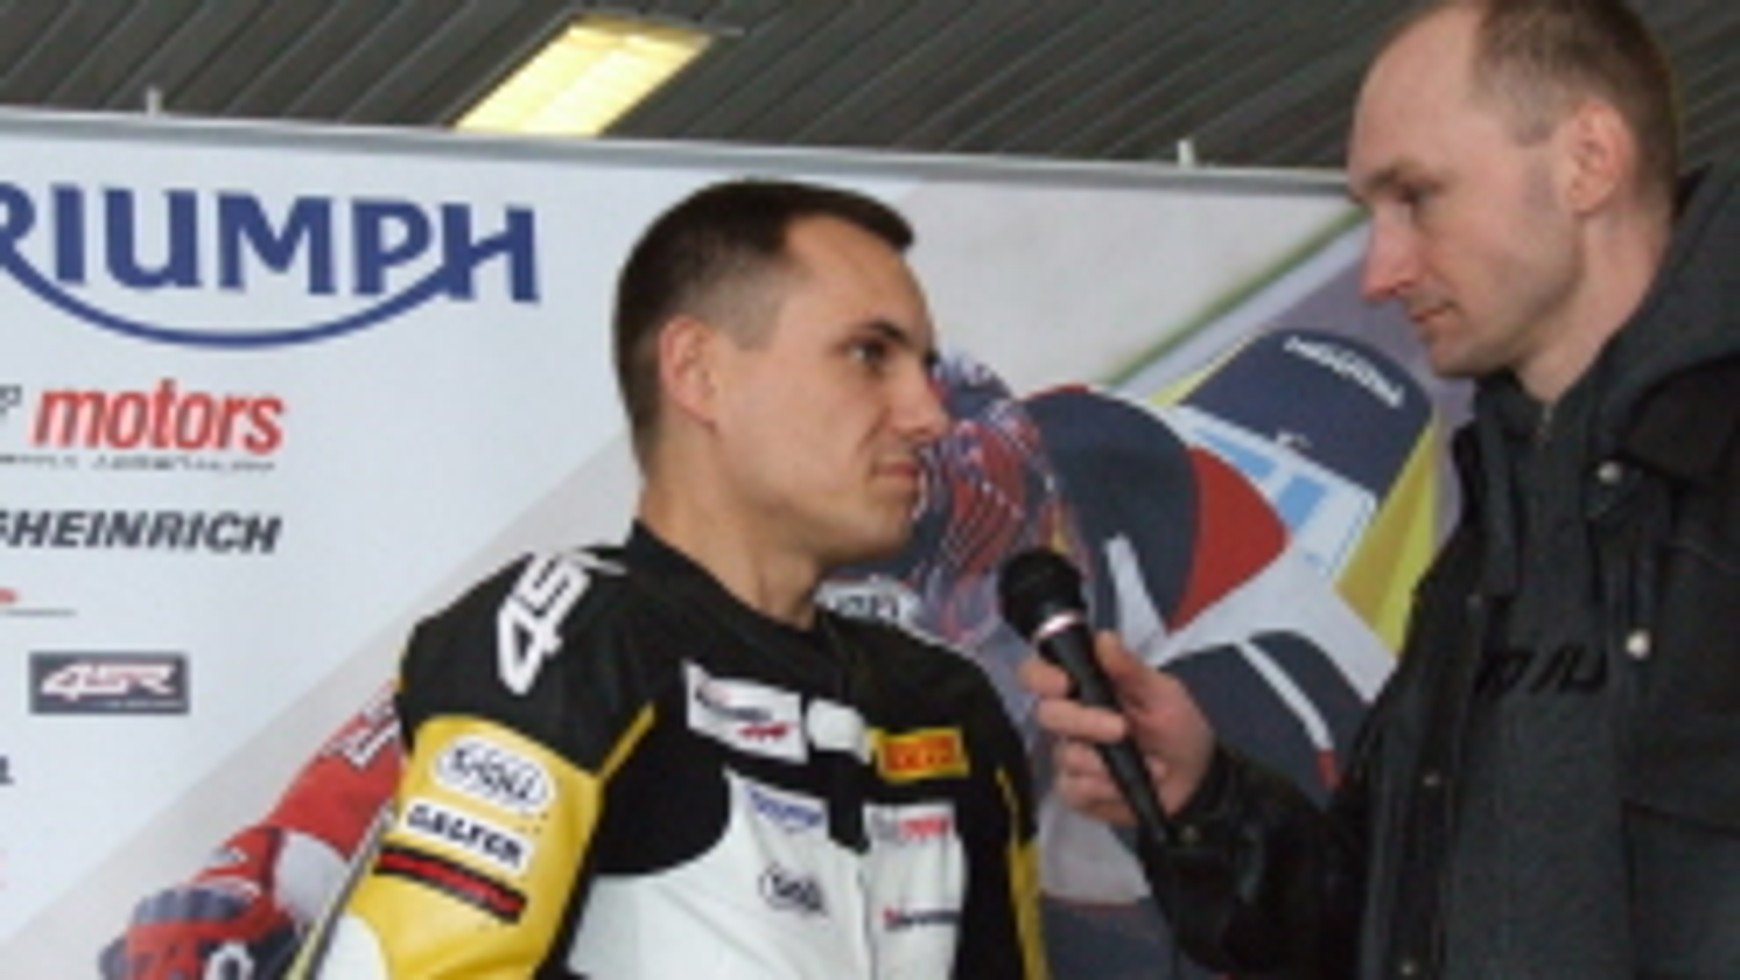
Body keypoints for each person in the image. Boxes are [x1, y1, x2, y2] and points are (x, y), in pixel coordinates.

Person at [1022, 0, 1740, 977]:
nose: (1381, 270)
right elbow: (1364, 927)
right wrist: (1201, 794)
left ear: (1588, 160)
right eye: (1372, 214)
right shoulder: (1488, 540)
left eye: (1418, 196)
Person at [283, 179, 1046, 978]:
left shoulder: (944, 703)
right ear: (698, 372)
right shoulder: (573, 639)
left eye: (924, 366)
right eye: (868, 355)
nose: (929, 415)